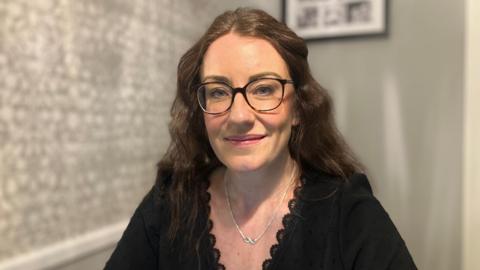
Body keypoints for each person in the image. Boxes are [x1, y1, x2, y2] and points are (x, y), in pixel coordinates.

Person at [105, 7, 417, 270]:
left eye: (264, 89)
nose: (239, 116)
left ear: (297, 108)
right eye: (217, 92)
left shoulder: (348, 212)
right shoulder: (170, 202)